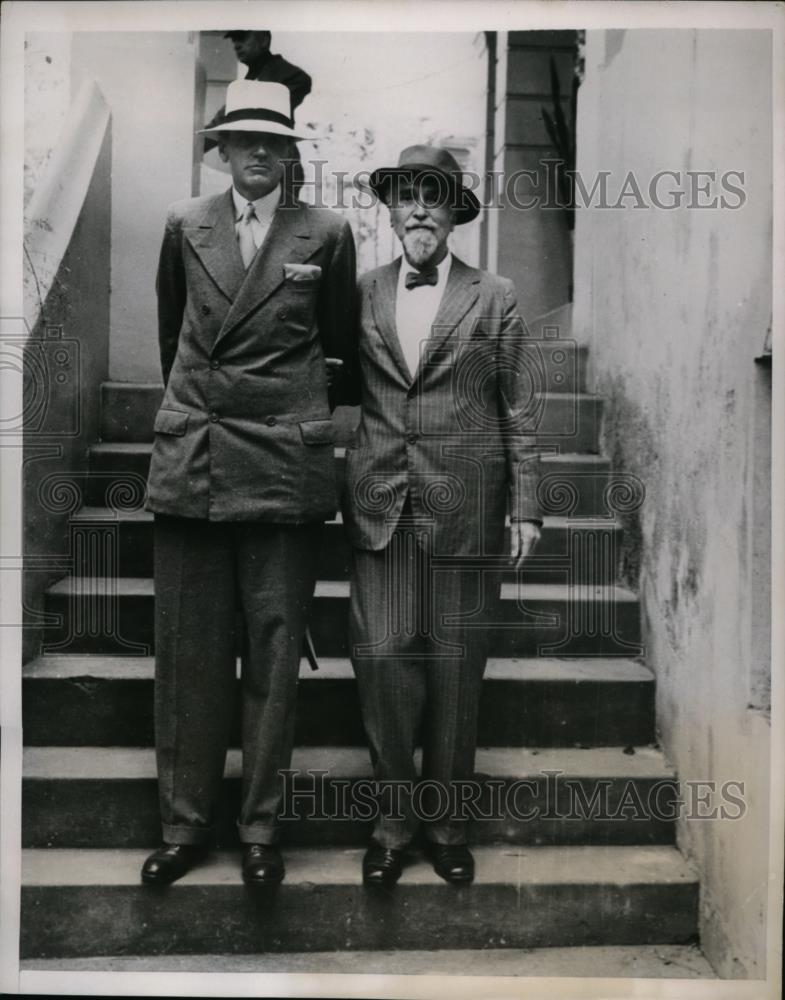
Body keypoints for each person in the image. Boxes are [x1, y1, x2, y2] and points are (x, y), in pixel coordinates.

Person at [141, 80, 356, 887]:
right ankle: (185, 825)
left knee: (273, 655)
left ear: (291, 152)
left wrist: (300, 425)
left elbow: (338, 351)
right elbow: (174, 336)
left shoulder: (326, 233)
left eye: (274, 141)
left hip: (282, 464)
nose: (260, 153)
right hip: (195, 457)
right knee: (188, 658)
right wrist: (198, 412)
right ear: (222, 150)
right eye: (244, 140)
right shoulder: (183, 223)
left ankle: (262, 827)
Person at [343, 145, 542, 888]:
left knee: (456, 669)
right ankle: (393, 825)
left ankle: (448, 824)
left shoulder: (494, 295)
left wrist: (526, 507)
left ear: (452, 210)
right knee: (385, 664)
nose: (419, 208)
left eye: (433, 195)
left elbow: (517, 407)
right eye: (406, 196)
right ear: (391, 211)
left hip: (467, 508)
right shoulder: (359, 292)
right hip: (379, 506)